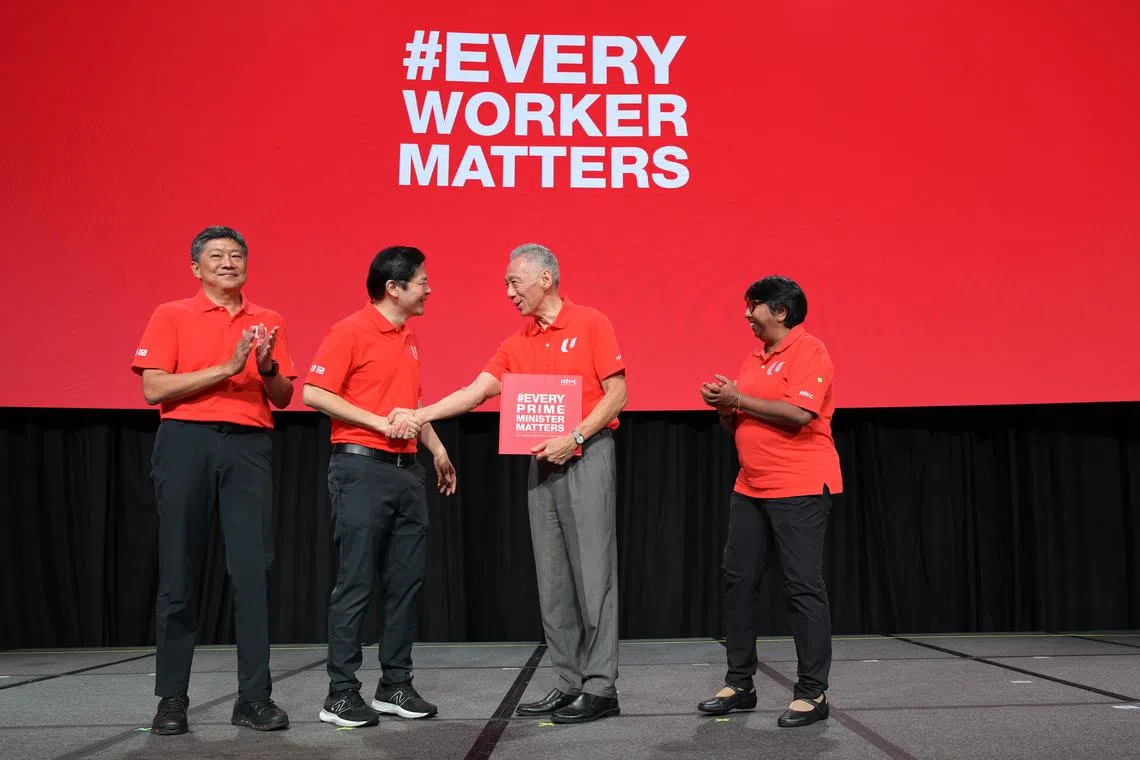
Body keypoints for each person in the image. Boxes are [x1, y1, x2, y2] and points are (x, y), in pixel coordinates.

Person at [391, 243, 627, 725]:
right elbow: (475, 391)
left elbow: (618, 392)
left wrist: (575, 435)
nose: (508, 293)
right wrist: (421, 415)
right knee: (552, 577)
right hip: (542, 463)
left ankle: (601, 687)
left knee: (594, 574)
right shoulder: (518, 342)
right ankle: (569, 681)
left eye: (514, 282)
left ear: (545, 279)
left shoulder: (591, 323)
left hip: (587, 454)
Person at [131, 226, 296, 735]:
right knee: (179, 570)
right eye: (217, 255)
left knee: (252, 573)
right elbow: (154, 388)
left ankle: (254, 699)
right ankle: (172, 699)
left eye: (237, 255)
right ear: (196, 268)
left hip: (248, 447)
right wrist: (226, 368)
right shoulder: (171, 314)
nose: (228, 262)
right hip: (186, 441)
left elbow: (283, 396)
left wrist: (266, 366)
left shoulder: (268, 319)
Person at [303, 246, 456, 728]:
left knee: (406, 583)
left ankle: (394, 684)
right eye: (422, 281)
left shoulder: (408, 338)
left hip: (406, 471)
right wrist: (378, 422)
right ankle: (340, 694)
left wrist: (437, 449)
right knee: (356, 582)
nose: (429, 289)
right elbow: (314, 392)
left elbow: (410, 405)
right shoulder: (350, 330)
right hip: (361, 468)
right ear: (394, 287)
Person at [697, 275, 841, 728]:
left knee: (802, 587)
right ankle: (740, 684)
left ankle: (812, 693)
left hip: (800, 486)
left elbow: (800, 414)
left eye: (754, 305)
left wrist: (739, 398)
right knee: (738, 583)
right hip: (750, 487)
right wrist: (726, 408)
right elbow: (738, 423)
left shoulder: (809, 350)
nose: (747, 314)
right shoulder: (753, 358)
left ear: (780, 311)